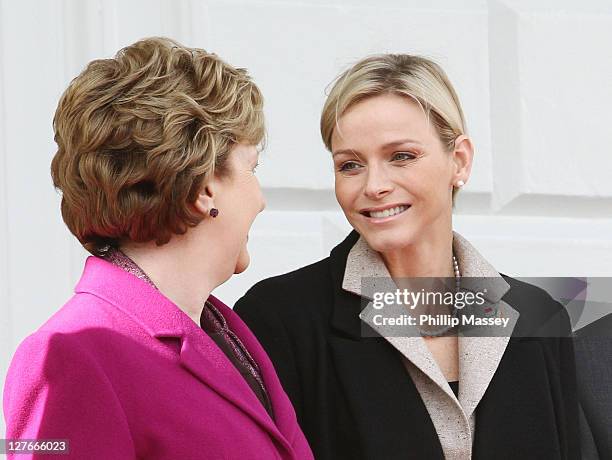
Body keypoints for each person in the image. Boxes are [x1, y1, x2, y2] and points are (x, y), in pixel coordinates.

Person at [234, 54, 580, 459]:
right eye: (350, 165)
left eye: (401, 156)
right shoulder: (279, 319)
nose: (374, 185)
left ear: (460, 160)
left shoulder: (539, 319)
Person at [3, 37, 313, 460]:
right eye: (251, 168)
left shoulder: (228, 332)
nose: (260, 197)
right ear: (205, 188)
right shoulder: (66, 355)